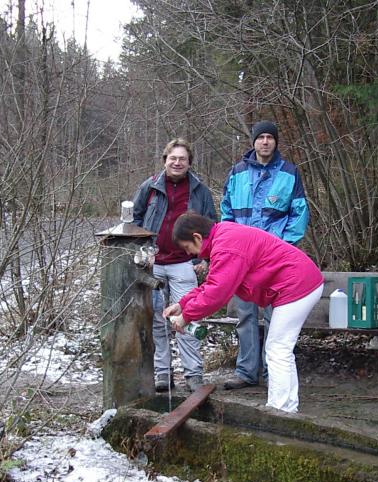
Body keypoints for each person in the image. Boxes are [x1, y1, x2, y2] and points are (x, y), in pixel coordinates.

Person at [163, 213, 323, 413]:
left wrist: (186, 317)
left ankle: (279, 410)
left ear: (197, 237)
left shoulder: (227, 246)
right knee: (280, 349)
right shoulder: (223, 239)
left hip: (297, 285)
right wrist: (182, 304)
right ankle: (286, 407)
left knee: (277, 349)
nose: (192, 254)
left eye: (188, 248)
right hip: (301, 283)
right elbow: (212, 284)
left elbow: (216, 294)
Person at [219, 120, 310, 390]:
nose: (266, 142)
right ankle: (246, 372)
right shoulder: (236, 173)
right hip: (242, 261)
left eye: (270, 137)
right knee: (245, 316)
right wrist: (231, 246)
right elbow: (227, 213)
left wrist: (284, 248)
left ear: (276, 142)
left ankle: (273, 372)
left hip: (274, 262)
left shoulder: (289, 173)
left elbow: (299, 214)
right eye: (261, 137)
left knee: (274, 317)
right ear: (254, 142)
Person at [131, 138, 217, 393]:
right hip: (154, 262)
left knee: (188, 318)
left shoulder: (199, 190)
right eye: (173, 158)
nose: (177, 163)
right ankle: (162, 374)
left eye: (182, 159)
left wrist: (203, 259)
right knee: (158, 321)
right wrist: (141, 253)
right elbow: (135, 219)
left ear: (189, 163)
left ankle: (193, 375)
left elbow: (210, 225)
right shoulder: (150, 187)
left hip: (184, 264)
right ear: (165, 160)